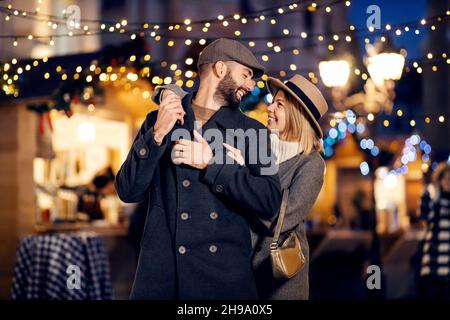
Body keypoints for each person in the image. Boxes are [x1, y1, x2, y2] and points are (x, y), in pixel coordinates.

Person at [115, 38, 281, 300]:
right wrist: (157, 134)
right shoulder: (159, 120)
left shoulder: (254, 132)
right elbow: (127, 190)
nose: (250, 86)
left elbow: (270, 200)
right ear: (220, 69)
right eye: (246, 75)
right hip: (163, 277)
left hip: (222, 280)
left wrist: (212, 164)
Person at [249, 75, 327, 299]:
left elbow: (283, 218)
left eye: (279, 104)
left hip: (280, 279)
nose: (270, 107)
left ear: (297, 115)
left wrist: (239, 189)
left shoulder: (311, 164)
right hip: (243, 274)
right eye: (273, 101)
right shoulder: (257, 150)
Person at [419, 162, 450, 299]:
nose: (448, 182)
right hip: (433, 262)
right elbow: (425, 220)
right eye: (445, 178)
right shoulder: (431, 197)